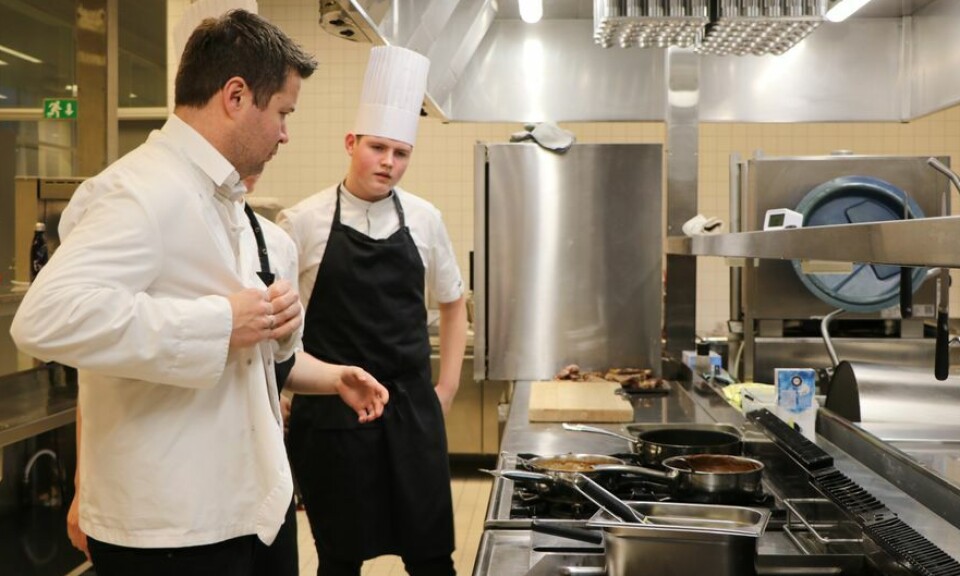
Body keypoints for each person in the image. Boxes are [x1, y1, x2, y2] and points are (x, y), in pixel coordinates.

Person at [12, 10, 319, 576]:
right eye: (282, 113)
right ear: (235, 95)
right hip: (174, 531)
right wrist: (218, 324)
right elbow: (46, 318)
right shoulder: (140, 191)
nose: (284, 133)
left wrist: (272, 324)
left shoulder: (224, 201)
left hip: (251, 509)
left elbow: (242, 341)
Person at [61, 172, 390, 576]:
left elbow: (271, 365)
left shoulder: (274, 243)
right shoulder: (145, 221)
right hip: (168, 512)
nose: (279, 135)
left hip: (262, 502)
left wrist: (335, 379)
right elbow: (97, 370)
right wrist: (83, 489)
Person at [278, 45, 469, 576]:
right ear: (350, 143)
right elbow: (280, 324)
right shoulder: (304, 222)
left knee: (432, 557)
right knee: (339, 560)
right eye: (378, 147)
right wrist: (288, 387)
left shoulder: (426, 220)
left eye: (401, 152)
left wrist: (446, 389)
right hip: (333, 413)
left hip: (410, 413)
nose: (389, 162)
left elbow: (455, 305)